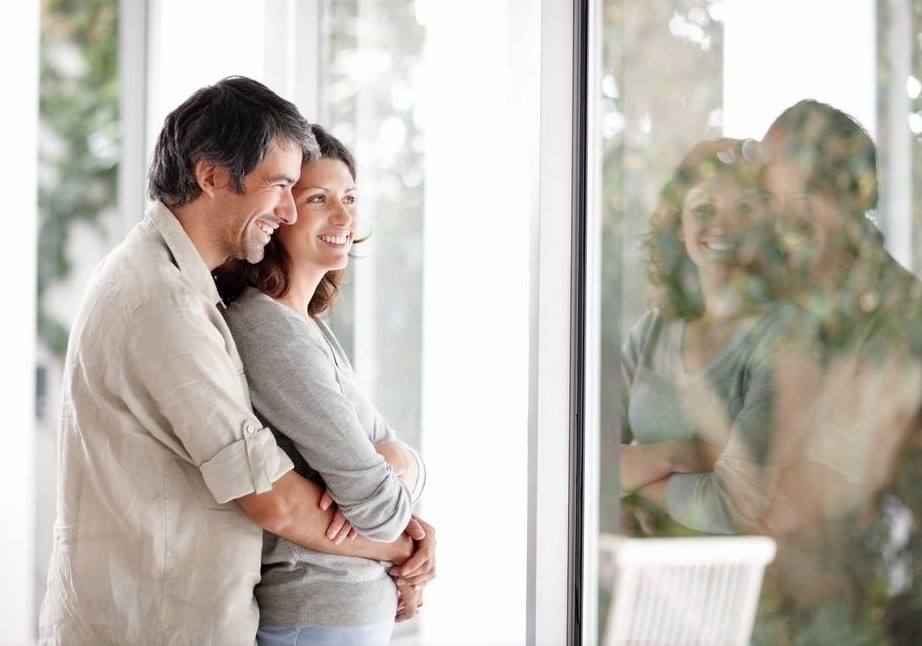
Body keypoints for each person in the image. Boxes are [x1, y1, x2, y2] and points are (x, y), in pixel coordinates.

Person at [39, 76, 433, 646]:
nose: (286, 211)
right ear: (212, 176)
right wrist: (404, 546)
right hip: (151, 625)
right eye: (282, 187)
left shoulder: (179, 289)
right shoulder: (163, 302)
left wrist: (401, 485)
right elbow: (274, 498)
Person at [214, 124, 428, 645]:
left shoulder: (308, 326)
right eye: (319, 198)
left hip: (339, 615)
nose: (343, 217)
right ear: (281, 211)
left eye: (349, 198)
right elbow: (378, 509)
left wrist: (396, 459)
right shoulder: (269, 330)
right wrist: (405, 535)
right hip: (316, 613)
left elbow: (392, 470)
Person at [748, 98, 922, 644]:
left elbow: (810, 496)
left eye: (802, 200)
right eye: (771, 201)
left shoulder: (898, 323)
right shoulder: (784, 315)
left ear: (850, 200)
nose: (783, 225)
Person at [618, 137, 801, 537]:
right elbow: (581, 462)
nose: (723, 225)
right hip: (640, 571)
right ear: (678, 226)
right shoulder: (650, 333)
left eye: (743, 209)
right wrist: (679, 454)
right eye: (703, 209)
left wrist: (633, 484)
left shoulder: (780, 339)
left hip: (739, 574)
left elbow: (735, 506)